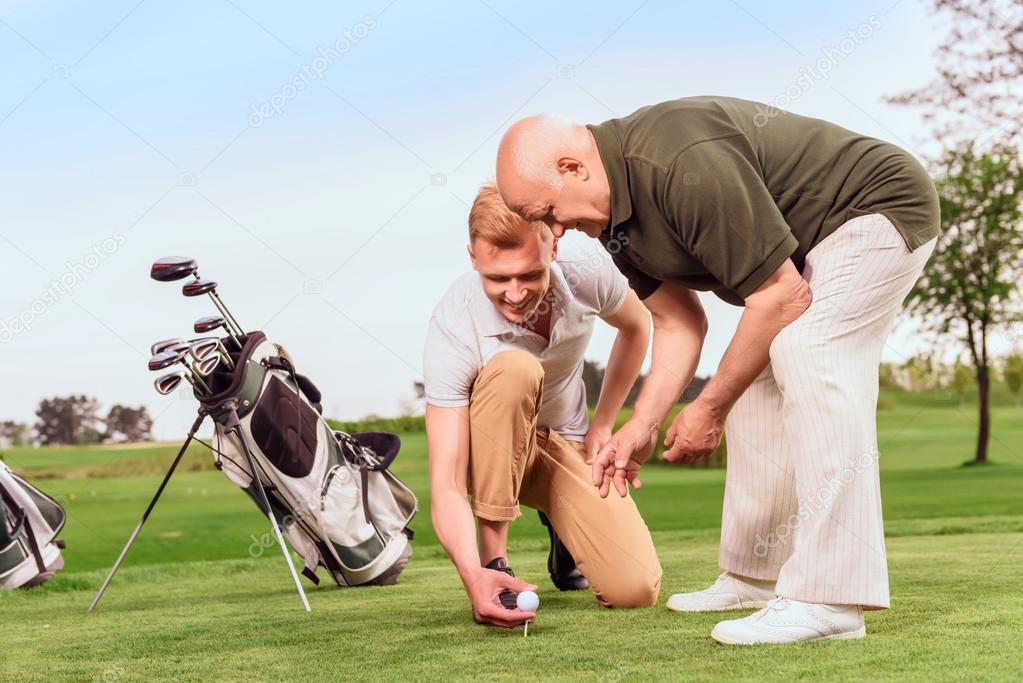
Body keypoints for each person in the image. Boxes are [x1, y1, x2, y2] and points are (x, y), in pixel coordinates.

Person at [495, 96, 940, 644]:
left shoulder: (678, 162)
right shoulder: (614, 224)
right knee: (753, 374)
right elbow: (679, 322)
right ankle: (757, 575)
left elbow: (780, 296)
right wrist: (644, 422)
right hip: (806, 256)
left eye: (548, 214)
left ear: (573, 168)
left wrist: (708, 406)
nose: (556, 233)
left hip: (877, 207)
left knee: (808, 350)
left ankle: (830, 599)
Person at [424, 183, 662, 628]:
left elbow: (637, 326)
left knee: (635, 588)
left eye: (529, 275)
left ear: (553, 246)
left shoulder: (588, 269)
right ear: (473, 259)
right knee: (516, 369)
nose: (515, 294)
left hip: (563, 446)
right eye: (498, 278)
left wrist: (604, 424)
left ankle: (561, 528)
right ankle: (498, 566)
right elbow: (448, 483)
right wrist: (473, 572)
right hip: (489, 456)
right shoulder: (454, 325)